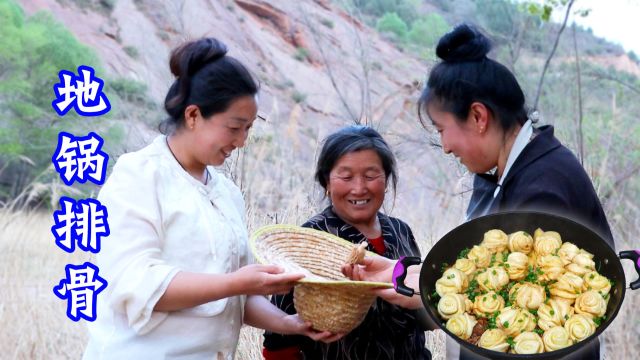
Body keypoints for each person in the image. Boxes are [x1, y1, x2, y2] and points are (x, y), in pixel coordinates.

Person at [346, 24, 615, 360]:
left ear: (478, 116)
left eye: (443, 130)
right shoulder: (521, 168)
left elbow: (521, 318)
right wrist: (402, 273)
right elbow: (488, 271)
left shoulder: (542, 189)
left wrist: (426, 290)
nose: (444, 147)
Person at [83, 38, 340, 360]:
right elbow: (136, 283)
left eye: (248, 128)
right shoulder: (139, 175)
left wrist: (290, 323)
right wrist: (235, 283)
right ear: (193, 115)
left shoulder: (226, 192)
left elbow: (239, 296)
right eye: (235, 127)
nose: (242, 141)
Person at [262, 125, 431, 360]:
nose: (359, 188)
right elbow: (278, 342)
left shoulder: (401, 230)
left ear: (386, 178)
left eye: (371, 175)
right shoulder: (309, 239)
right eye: (346, 176)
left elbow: (425, 315)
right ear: (326, 182)